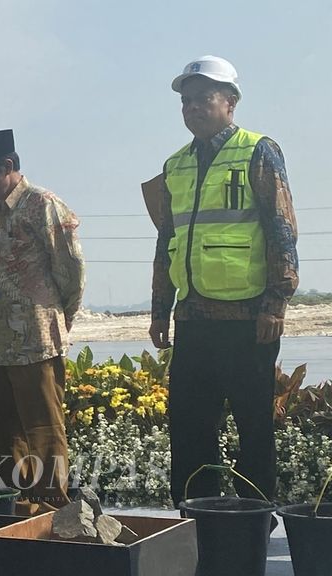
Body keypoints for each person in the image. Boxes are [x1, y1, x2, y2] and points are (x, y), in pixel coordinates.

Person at [151, 56, 298, 510]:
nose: (192, 107)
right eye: (185, 100)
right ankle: (195, 511)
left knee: (253, 425)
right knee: (190, 424)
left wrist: (277, 301)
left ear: (230, 103)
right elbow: (167, 240)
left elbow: (281, 227)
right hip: (194, 318)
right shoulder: (175, 165)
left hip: (249, 318)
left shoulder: (259, 151)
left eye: (203, 98)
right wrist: (160, 310)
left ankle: (255, 514)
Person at [0, 129, 85, 515]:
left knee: (43, 428)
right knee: (5, 430)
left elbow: (71, 269)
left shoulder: (43, 205)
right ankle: (16, 505)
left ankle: (54, 509)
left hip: (36, 339)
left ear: (8, 167)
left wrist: (57, 316)